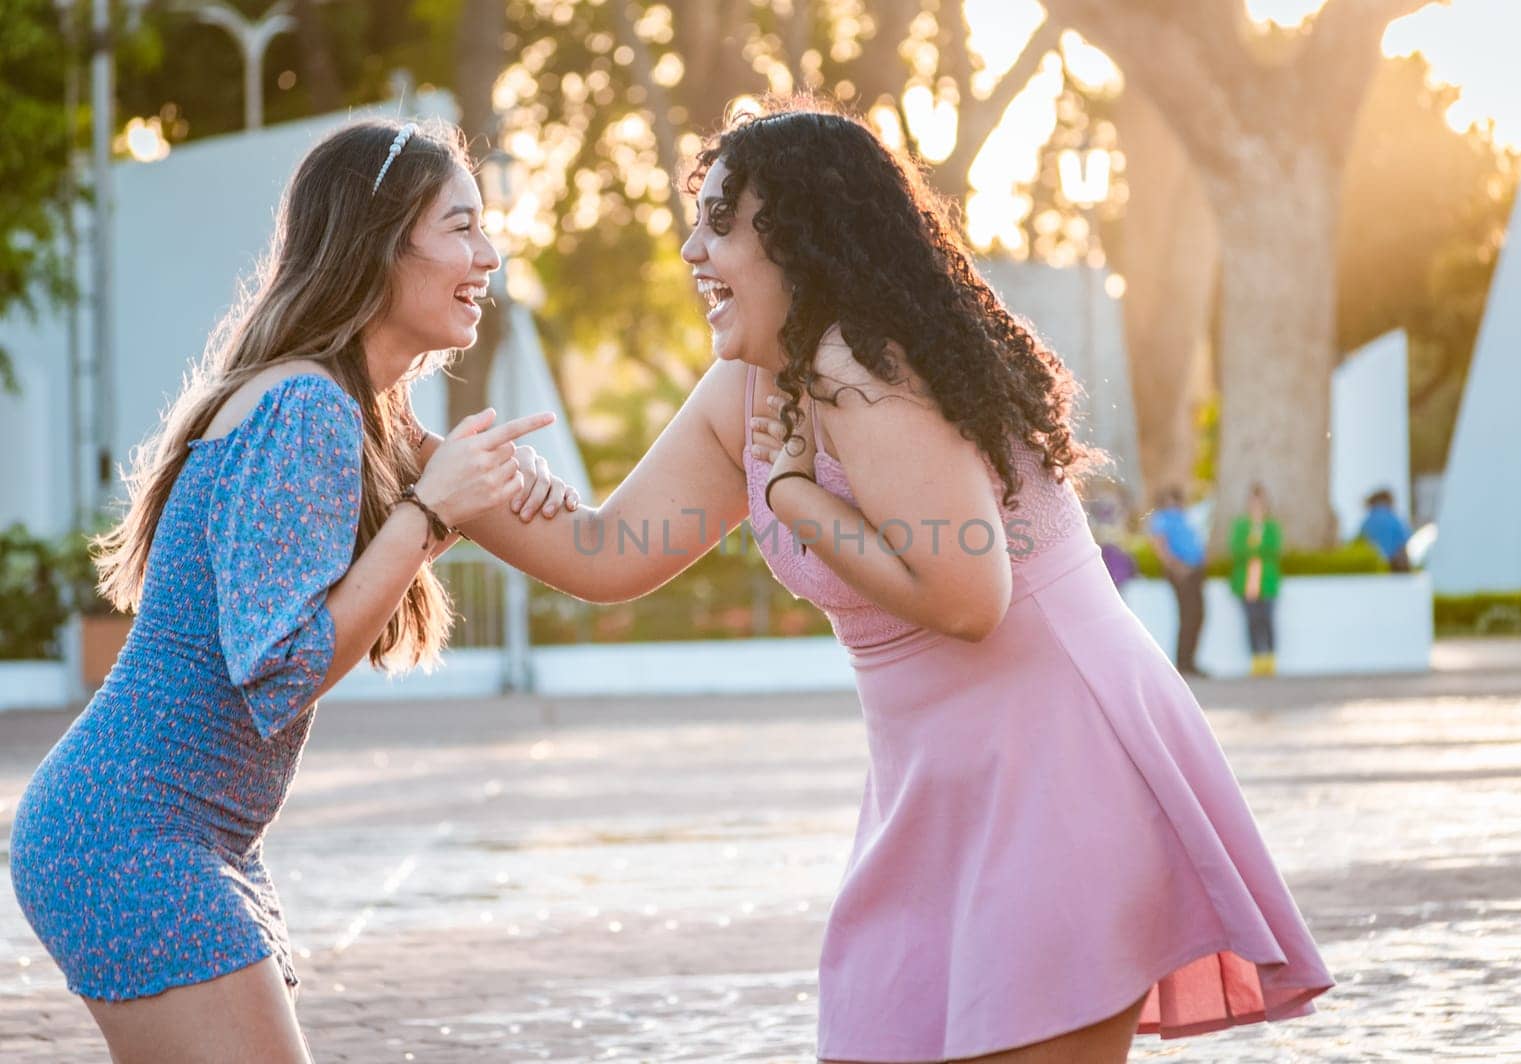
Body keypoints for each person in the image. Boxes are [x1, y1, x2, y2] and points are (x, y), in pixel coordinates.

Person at [461, 99, 1332, 1063]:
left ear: (800, 239)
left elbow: (969, 597)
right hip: (935, 797)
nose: (688, 248)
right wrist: (417, 472)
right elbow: (607, 553)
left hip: (1052, 767)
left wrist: (797, 500)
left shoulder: (855, 364)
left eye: (718, 221)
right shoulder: (757, 383)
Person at [7, 118, 575, 1063]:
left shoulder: (355, 413)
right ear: (380, 240)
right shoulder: (307, 404)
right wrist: (428, 518)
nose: (490, 252)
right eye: (463, 227)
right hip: (133, 835)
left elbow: (586, 545)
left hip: (155, 832)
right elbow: (281, 669)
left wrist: (509, 487)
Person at [1147, 486, 1208, 677]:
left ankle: (1190, 660)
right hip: (1181, 572)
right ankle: (1183, 663)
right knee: (1188, 615)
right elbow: (1159, 544)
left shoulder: (1185, 516)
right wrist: (1176, 565)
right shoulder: (1161, 518)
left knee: (1197, 614)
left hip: (1194, 571)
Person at [1230, 482, 1283, 676]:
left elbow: (1273, 549)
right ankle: (1256, 661)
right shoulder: (1242, 526)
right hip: (1246, 582)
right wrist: (1256, 548)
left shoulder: (1271, 526)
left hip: (1266, 582)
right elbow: (1237, 549)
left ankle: (1269, 659)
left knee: (1267, 620)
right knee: (1251, 621)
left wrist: (1253, 548)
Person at [1359, 487, 1413, 572]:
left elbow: (1360, 541)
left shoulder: (1367, 521)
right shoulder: (1394, 519)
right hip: (1395, 565)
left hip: (1374, 566)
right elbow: (1404, 538)